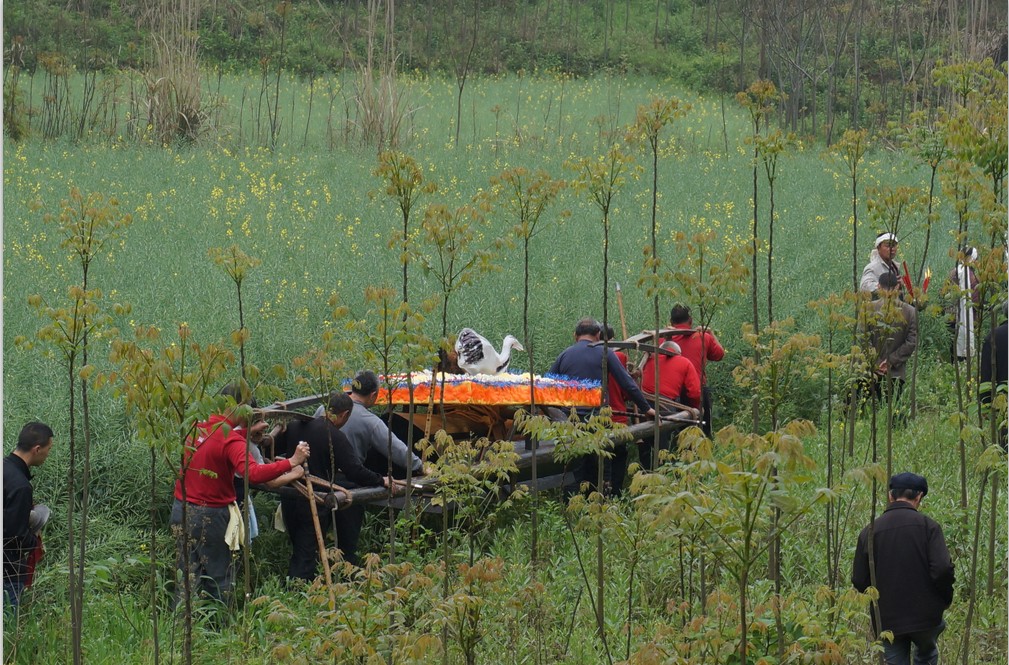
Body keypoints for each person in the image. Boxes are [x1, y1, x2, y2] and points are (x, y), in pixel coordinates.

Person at [171, 384, 309, 607]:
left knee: (187, 573)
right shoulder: (231, 441)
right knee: (219, 575)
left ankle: (181, 624)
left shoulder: (197, 425)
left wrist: (249, 432)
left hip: (181, 508)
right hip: (210, 515)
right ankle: (222, 627)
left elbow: (219, 440)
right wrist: (292, 462)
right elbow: (253, 474)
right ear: (238, 407)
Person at [279, 391, 390, 577]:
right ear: (344, 414)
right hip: (313, 499)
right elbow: (354, 470)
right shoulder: (333, 435)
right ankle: (298, 593)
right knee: (306, 552)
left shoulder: (294, 426)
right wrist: (381, 480)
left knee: (299, 547)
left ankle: (296, 587)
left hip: (289, 495)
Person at [852, 472, 954, 665]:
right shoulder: (929, 527)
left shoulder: (870, 531)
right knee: (927, 655)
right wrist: (944, 599)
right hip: (926, 616)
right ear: (919, 497)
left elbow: (859, 580)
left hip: (887, 619)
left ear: (891, 496)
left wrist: (879, 603)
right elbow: (942, 569)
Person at [550, 318, 656, 493]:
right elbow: (627, 382)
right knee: (601, 464)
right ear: (598, 335)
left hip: (571, 419)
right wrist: (647, 408)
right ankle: (602, 503)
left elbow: (547, 383)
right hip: (598, 419)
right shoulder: (604, 352)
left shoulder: (565, 354)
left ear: (575, 336)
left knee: (575, 466)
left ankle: (571, 507)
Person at [317, 370, 425, 477]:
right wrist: (419, 466)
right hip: (347, 477)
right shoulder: (370, 421)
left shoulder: (324, 408)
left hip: (318, 471)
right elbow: (395, 448)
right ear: (373, 395)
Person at [3, 422, 54, 610]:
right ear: (37, 449)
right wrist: (35, 541)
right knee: (6, 631)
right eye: (49, 449)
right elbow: (14, 536)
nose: (48, 454)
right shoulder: (20, 485)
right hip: (8, 572)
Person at [638, 340, 702, 469]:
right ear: (678, 353)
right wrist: (694, 410)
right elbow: (695, 392)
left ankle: (645, 471)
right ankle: (668, 468)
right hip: (665, 406)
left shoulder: (648, 359)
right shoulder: (684, 362)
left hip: (642, 405)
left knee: (645, 440)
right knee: (664, 442)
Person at [665, 304, 725, 437]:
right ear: (690, 320)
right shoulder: (703, 337)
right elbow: (720, 354)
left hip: (672, 395)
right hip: (698, 390)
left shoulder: (664, 340)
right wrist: (710, 333)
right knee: (703, 433)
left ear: (671, 322)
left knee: (678, 434)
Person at [864, 272, 918, 406]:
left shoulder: (868, 309)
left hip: (871, 370)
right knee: (893, 408)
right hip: (896, 372)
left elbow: (863, 339)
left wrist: (875, 362)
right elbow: (911, 342)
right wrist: (891, 361)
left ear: (878, 287)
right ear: (898, 287)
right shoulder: (910, 311)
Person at [947, 246, 980, 361]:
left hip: (952, 317)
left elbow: (946, 294)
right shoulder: (973, 276)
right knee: (965, 348)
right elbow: (976, 301)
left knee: (954, 347)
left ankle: (953, 370)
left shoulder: (954, 272)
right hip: (968, 318)